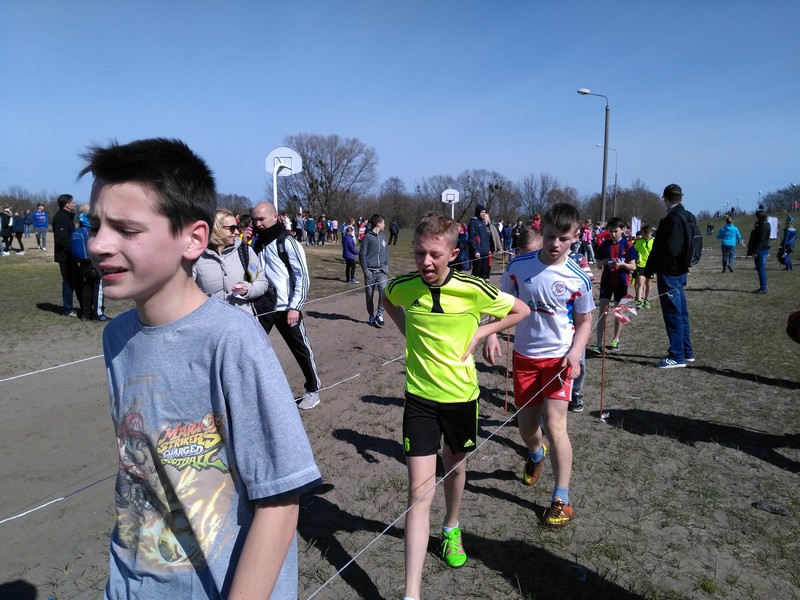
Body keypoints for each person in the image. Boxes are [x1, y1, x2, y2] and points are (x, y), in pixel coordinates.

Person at [80, 137, 321, 599]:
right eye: (95, 226)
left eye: (126, 230)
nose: (98, 244)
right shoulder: (116, 337)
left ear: (193, 238)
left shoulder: (231, 340)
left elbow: (279, 502)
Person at [383, 212, 528, 600]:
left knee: (455, 466)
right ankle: (411, 593)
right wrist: (407, 330)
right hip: (419, 400)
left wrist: (483, 331)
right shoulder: (403, 286)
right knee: (418, 493)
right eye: (419, 253)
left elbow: (520, 311)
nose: (426, 262)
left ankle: (451, 526)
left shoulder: (472, 288)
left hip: (461, 400)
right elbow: (387, 298)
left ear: (452, 253)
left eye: (434, 254)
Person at [484, 203, 594, 526]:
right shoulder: (519, 266)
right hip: (525, 359)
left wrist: (575, 352)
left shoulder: (579, 278)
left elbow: (585, 321)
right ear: (541, 231)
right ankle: (535, 452)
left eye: (563, 238)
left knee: (557, 426)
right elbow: (500, 304)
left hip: (559, 361)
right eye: (549, 236)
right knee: (528, 429)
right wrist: (491, 334)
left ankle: (561, 498)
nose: (555, 244)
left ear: (576, 236)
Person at [251, 201, 323, 410]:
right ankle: (257, 393)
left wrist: (295, 306)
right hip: (262, 308)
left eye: (261, 219)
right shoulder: (256, 243)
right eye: (255, 220)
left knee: (301, 349)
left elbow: (303, 277)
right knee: (254, 350)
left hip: (287, 309)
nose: (258, 223)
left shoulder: (288, 242)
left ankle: (313, 389)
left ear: (275, 217)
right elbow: (251, 271)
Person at [643, 183, 696, 368]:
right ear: (681, 197)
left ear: (665, 198)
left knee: (673, 314)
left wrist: (654, 267)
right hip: (679, 271)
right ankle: (686, 351)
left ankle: (677, 355)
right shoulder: (687, 216)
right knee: (681, 313)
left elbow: (670, 249)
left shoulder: (674, 218)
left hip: (670, 272)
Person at [193, 209, 271, 317]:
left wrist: (247, 289)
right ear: (216, 229)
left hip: (243, 321)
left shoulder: (245, 252)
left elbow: (261, 282)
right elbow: (185, 294)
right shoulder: (196, 257)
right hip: (211, 323)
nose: (237, 232)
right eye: (232, 228)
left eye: (237, 227)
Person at [588, 217, 637, 354]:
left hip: (621, 282)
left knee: (618, 311)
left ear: (622, 230)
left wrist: (622, 264)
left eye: (615, 231)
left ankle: (616, 339)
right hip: (607, 281)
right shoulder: (605, 245)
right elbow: (598, 265)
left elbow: (633, 267)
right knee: (603, 310)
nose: (613, 234)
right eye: (610, 231)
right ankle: (599, 342)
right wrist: (604, 262)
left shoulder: (628, 245)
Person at [52, 194, 84, 317]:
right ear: (66, 205)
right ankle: (68, 309)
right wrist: (75, 248)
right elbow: (61, 240)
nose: (75, 204)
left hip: (73, 256)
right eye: (72, 202)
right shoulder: (60, 218)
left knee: (79, 282)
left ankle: (85, 307)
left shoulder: (68, 217)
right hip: (65, 257)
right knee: (68, 282)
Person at [71, 207, 102, 321]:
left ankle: (85, 313)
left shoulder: (79, 228)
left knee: (87, 287)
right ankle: (98, 314)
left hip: (83, 264)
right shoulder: (92, 230)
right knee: (98, 288)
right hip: (93, 262)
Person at [359, 213, 389, 327]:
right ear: (378, 224)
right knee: (369, 295)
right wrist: (365, 270)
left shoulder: (383, 237)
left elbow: (386, 252)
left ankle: (380, 314)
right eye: (383, 223)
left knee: (384, 292)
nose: (384, 225)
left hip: (381, 271)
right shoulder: (367, 237)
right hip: (370, 272)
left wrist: (386, 266)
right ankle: (371, 315)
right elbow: (362, 254)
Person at [746, 210, 771, 294]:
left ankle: (763, 288)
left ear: (758, 217)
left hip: (761, 250)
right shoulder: (763, 224)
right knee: (759, 268)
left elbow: (762, 240)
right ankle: (763, 287)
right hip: (761, 249)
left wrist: (755, 252)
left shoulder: (764, 226)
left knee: (761, 269)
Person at [633, 225, 654, 308]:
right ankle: (639, 301)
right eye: (644, 235)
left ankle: (646, 300)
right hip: (641, 265)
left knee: (648, 283)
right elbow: (633, 251)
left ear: (651, 233)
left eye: (647, 235)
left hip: (650, 265)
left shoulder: (654, 241)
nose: (646, 237)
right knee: (640, 283)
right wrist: (635, 258)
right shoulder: (639, 242)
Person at [468, 204, 490, 280]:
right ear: (478, 212)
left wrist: (488, 249)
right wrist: (476, 250)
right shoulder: (473, 222)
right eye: (482, 212)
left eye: (485, 212)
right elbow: (472, 238)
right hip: (478, 253)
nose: (484, 214)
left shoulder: (483, 222)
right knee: (476, 272)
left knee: (484, 271)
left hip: (485, 252)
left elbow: (485, 238)